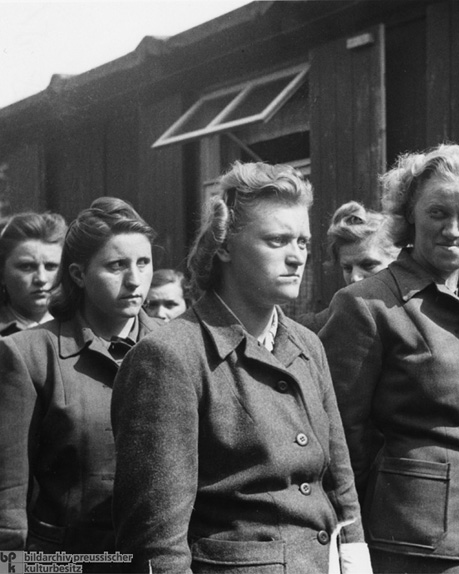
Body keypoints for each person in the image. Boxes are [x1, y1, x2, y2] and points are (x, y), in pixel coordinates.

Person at [111, 161, 372, 574]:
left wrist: (355, 561)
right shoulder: (170, 355)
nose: (296, 258)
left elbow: (340, 482)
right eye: (277, 240)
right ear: (226, 246)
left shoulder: (307, 345)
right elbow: (156, 540)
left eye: (302, 242)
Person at [320, 143, 459, 573]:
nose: (453, 230)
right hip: (419, 543)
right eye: (438, 213)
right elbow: (342, 437)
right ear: (410, 215)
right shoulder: (366, 303)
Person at [0, 197, 159, 565]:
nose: (135, 280)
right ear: (77, 274)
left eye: (144, 263)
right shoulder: (27, 354)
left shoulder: (177, 348)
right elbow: (8, 502)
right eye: (116, 266)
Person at [298, 201, 398, 332]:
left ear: (398, 261)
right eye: (347, 268)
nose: (355, 278)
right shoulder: (332, 321)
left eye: (368, 265)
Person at [0, 211, 67, 336]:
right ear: (2, 273)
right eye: (26, 267)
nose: (41, 279)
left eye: (51, 266)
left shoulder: (83, 329)